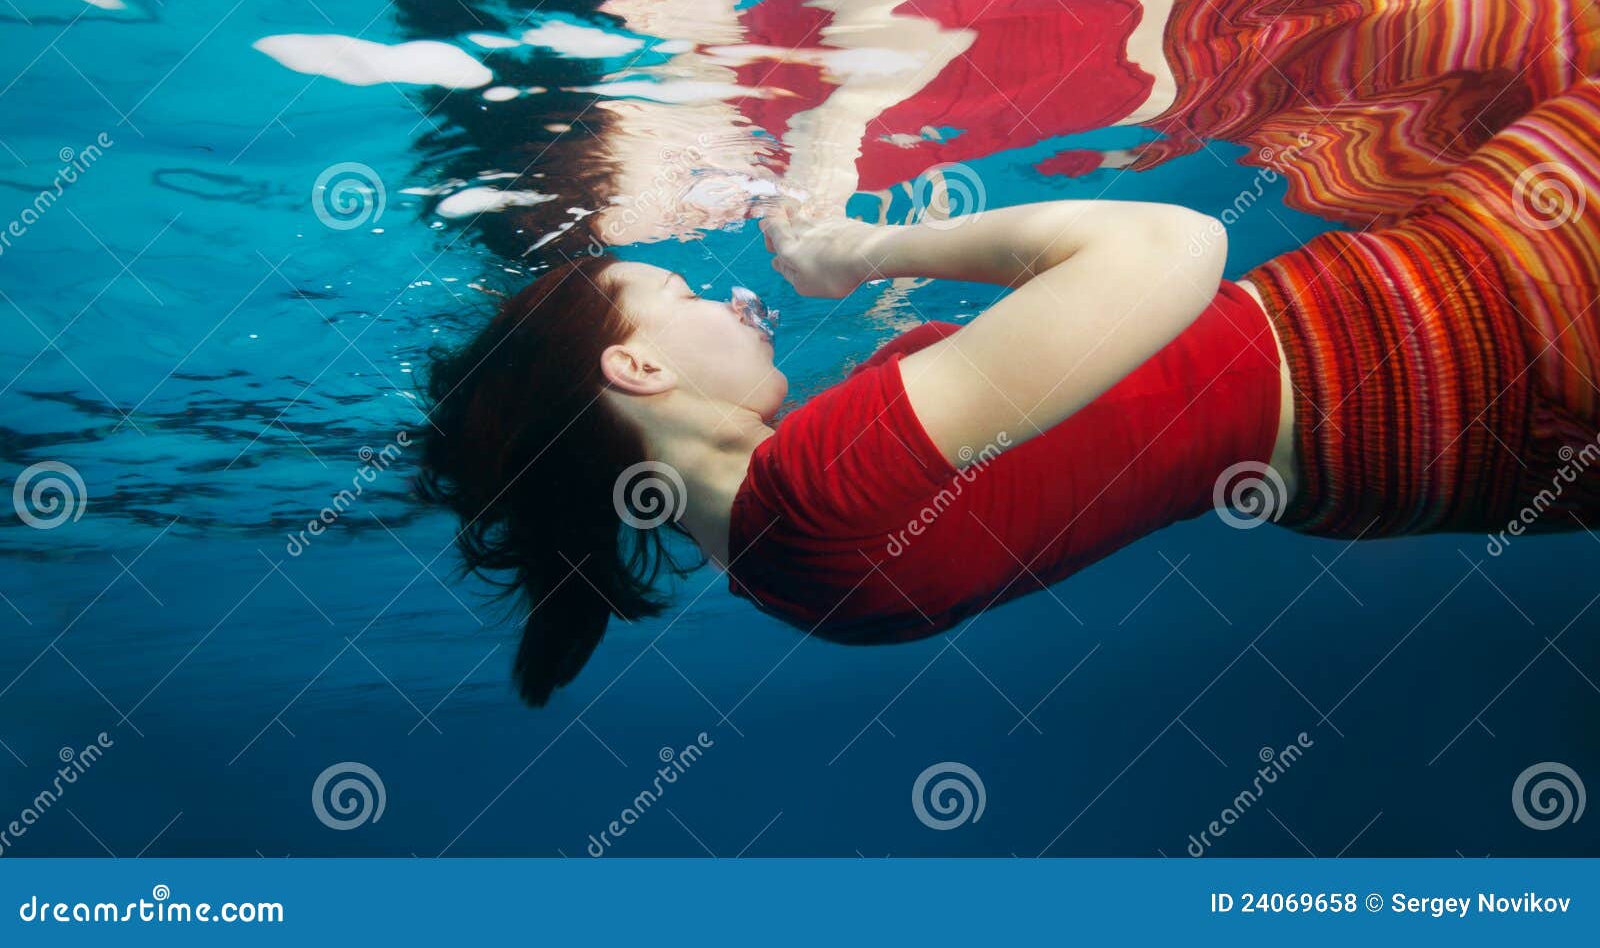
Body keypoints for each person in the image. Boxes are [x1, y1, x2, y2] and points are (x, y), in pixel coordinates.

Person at [415, 77, 1600, 706]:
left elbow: (1032, 463)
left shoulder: (779, 568)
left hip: (1404, 453)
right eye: (678, 294)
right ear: (637, 366)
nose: (728, 301)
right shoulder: (821, 483)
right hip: (1437, 332)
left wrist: (903, 325)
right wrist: (857, 255)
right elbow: (1173, 251)